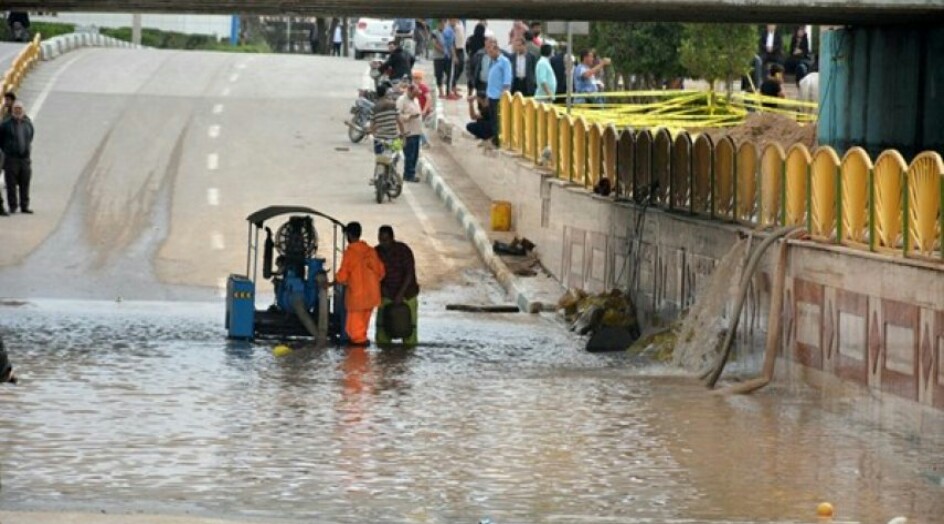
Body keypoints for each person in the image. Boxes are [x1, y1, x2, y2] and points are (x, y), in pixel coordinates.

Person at [335, 222, 385, 346]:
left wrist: (334, 281)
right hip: (371, 297)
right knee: (362, 328)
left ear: (350, 235)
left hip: (357, 298)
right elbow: (381, 272)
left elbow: (342, 276)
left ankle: (357, 361)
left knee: (354, 332)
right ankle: (362, 360)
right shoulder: (370, 251)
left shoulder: (350, 253)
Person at [374, 226, 419, 346]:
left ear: (392, 238)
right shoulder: (376, 252)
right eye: (380, 239)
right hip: (386, 294)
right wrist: (382, 289)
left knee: (410, 327)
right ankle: (384, 352)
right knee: (382, 327)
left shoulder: (404, 250)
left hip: (407, 294)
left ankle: (409, 350)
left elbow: (409, 274)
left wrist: (400, 294)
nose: (383, 243)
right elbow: (373, 274)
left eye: (386, 240)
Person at [0, 101, 34, 215]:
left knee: (25, 182)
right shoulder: (6, 124)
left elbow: (30, 136)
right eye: (16, 108)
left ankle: (25, 206)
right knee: (11, 184)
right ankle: (13, 206)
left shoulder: (28, 123)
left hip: (24, 159)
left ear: (23, 110)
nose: (18, 110)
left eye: (20, 108)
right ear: (13, 110)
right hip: (11, 158)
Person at [484, 37, 512, 146]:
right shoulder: (492, 62)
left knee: (498, 120)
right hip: (491, 95)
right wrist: (487, 95)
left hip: (499, 96)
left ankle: (499, 141)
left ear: (497, 50)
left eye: (491, 52)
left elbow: (507, 80)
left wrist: (504, 95)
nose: (490, 54)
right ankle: (495, 139)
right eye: (488, 52)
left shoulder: (504, 62)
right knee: (493, 120)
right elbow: (490, 80)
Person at [397, 80, 423, 183]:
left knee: (415, 154)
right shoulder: (402, 100)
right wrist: (410, 117)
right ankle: (408, 174)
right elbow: (398, 116)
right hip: (408, 132)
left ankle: (411, 172)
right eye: (415, 93)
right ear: (410, 91)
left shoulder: (415, 100)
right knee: (409, 154)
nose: (416, 95)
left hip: (417, 131)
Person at [369, 81, 401, 155]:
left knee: (379, 157)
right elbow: (400, 121)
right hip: (393, 138)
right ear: (386, 93)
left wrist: (373, 133)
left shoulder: (374, 108)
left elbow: (372, 125)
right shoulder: (393, 105)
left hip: (379, 139)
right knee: (397, 154)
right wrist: (403, 134)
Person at [430, 20, 450, 99]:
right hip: (438, 57)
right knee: (439, 75)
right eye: (440, 23)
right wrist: (443, 51)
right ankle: (441, 92)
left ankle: (448, 91)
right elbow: (434, 43)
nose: (442, 25)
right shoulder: (434, 32)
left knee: (449, 74)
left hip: (447, 57)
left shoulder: (448, 32)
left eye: (443, 23)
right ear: (438, 24)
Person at [449, 19, 466, 100]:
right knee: (455, 70)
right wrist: (454, 55)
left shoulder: (461, 22)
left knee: (461, 68)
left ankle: (454, 86)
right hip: (456, 49)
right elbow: (451, 42)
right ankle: (452, 88)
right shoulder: (452, 26)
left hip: (461, 48)